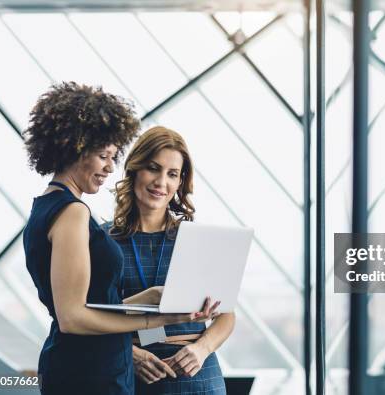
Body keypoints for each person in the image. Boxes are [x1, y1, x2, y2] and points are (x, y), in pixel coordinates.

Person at [23, 83, 218, 395]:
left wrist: (148, 298)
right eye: (103, 156)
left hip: (89, 367)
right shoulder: (72, 213)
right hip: (90, 373)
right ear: (76, 147)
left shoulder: (48, 206)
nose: (109, 168)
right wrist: (154, 319)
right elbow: (73, 317)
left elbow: (85, 305)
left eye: (113, 157)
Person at [106, 126, 233, 394]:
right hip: (132, 376)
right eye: (153, 168)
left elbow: (226, 316)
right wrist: (128, 353)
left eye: (172, 174)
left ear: (179, 183)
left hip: (198, 378)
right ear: (134, 169)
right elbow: (89, 317)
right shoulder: (102, 241)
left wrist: (201, 349)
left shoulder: (196, 239)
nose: (161, 182)